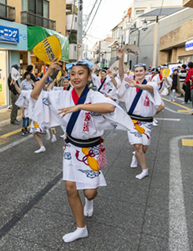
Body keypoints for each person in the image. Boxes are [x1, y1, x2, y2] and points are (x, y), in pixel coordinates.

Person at [28, 58, 134, 243]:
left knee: (89, 192)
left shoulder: (94, 96)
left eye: (81, 73)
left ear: (88, 76)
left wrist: (80, 106)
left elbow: (110, 107)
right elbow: (36, 95)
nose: (76, 77)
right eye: (73, 73)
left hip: (91, 149)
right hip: (70, 146)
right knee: (70, 189)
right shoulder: (62, 94)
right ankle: (81, 228)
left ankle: (90, 201)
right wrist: (48, 73)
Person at [116, 49, 162, 180]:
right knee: (137, 146)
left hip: (147, 122)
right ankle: (145, 170)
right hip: (132, 121)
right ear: (134, 73)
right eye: (136, 71)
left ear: (145, 72)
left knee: (144, 148)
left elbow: (149, 89)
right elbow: (120, 75)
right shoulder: (129, 83)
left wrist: (137, 85)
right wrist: (120, 59)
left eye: (141, 71)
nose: (138, 73)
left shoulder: (152, 84)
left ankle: (135, 156)